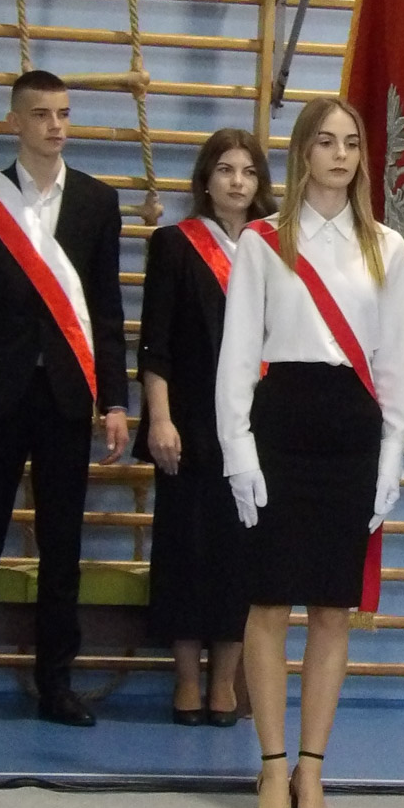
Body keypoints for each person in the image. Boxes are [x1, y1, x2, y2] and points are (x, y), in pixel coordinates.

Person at [215, 97, 404, 808]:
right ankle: (271, 764)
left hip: (352, 431)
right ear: (303, 152)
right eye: (326, 142)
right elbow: (238, 355)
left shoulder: (386, 247)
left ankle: (312, 768)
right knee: (269, 603)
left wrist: (392, 453)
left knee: (333, 608)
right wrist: (238, 451)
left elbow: (395, 361)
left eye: (351, 143)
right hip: (281, 426)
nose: (340, 155)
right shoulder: (264, 241)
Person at [0, 69, 129, 727]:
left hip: (67, 399)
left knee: (62, 548)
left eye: (64, 113)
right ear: (14, 121)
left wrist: (115, 401)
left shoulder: (98, 203)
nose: (55, 125)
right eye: (42, 114)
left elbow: (107, 312)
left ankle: (56, 685)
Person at [135, 129, 276, 726]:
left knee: (239, 556)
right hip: (189, 424)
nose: (237, 182)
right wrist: (159, 418)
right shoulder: (175, 244)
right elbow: (155, 344)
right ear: (206, 179)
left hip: (255, 427)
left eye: (248, 171)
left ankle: (225, 684)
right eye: (225, 170)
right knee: (185, 551)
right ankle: (187, 681)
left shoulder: (276, 248)